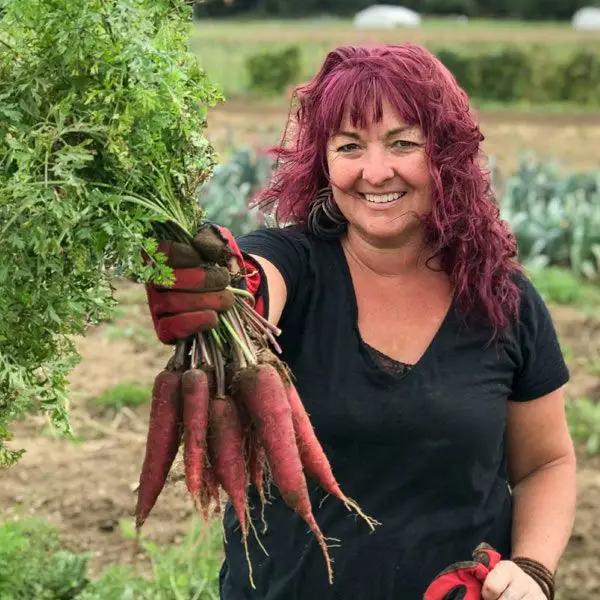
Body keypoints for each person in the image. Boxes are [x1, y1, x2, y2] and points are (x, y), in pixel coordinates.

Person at [146, 44, 576, 599]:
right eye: (350, 146)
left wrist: (534, 569)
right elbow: (255, 281)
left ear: (445, 154)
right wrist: (228, 287)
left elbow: (548, 461)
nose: (376, 172)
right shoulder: (295, 266)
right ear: (323, 163)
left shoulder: (503, 299)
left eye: (403, 143)